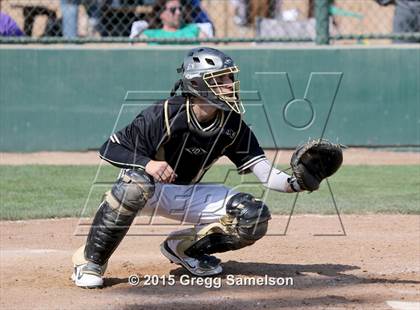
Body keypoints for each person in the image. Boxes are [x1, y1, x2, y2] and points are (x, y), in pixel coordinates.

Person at [71, 47, 306, 288]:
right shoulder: (164, 114)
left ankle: (185, 249)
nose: (229, 85)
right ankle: (91, 261)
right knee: (135, 185)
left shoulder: (232, 123)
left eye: (230, 78)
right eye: (219, 79)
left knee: (253, 217)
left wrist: (297, 183)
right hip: (147, 189)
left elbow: (266, 175)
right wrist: (148, 164)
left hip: (185, 193)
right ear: (196, 83)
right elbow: (110, 147)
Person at [129, 0, 211, 42]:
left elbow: (211, 50)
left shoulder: (194, 30)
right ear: (161, 13)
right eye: (173, 10)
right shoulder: (149, 35)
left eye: (180, 9)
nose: (178, 13)